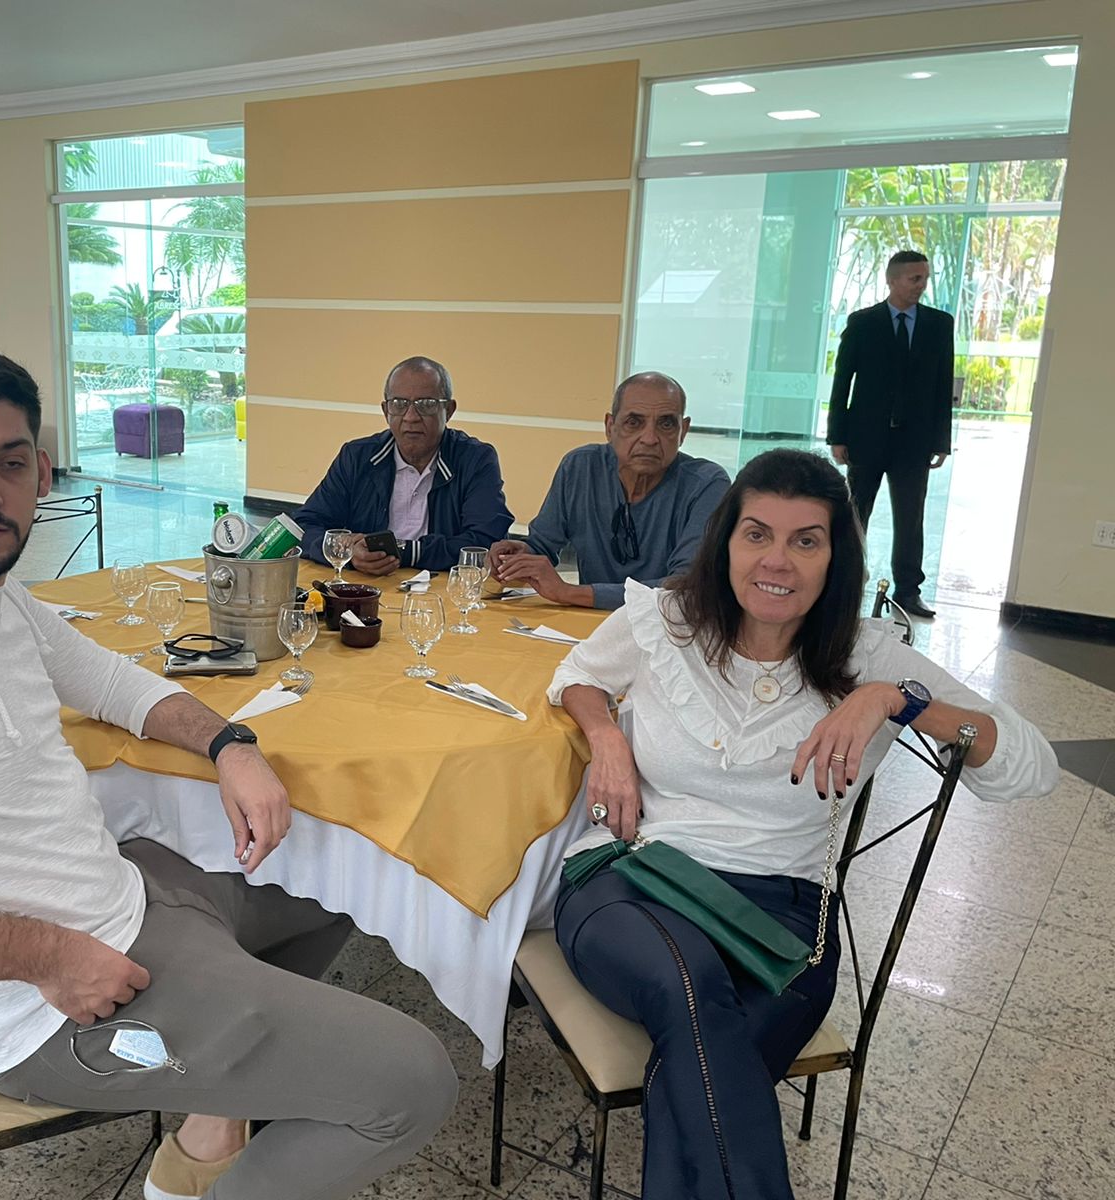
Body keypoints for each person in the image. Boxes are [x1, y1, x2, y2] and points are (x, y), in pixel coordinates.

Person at [0, 345, 458, 1200]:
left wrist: (231, 746)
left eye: (10, 464)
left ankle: (213, 1109)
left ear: (41, 474)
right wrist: (50, 956)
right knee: (413, 1083)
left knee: (343, 881)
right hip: (50, 1004)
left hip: (124, 895)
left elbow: (114, 683)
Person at [543, 448, 1056, 1199]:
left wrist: (896, 699)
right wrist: (607, 738)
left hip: (782, 919)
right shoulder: (667, 620)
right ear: (726, 542)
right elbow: (577, 676)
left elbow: (1031, 766)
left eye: (805, 541)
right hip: (634, 878)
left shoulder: (871, 658)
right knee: (693, 988)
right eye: (757, 534)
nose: (776, 561)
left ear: (835, 556)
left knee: (693, 1078)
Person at [489, 371, 728, 608]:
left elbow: (683, 588)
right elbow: (543, 545)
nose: (649, 438)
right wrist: (520, 556)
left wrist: (570, 593)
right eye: (634, 423)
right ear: (610, 427)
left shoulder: (706, 484)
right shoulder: (581, 467)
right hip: (588, 621)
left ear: (683, 431)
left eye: (666, 424)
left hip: (667, 625)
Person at [291, 355, 512, 574]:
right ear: (385, 411)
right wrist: (347, 552)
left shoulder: (475, 459)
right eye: (399, 404)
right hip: (366, 585)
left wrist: (406, 551)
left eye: (426, 404)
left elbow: (485, 542)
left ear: (449, 410)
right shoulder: (357, 457)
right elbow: (304, 526)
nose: (411, 417)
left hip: (443, 588)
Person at [827, 249, 956, 619]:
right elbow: (842, 381)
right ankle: (846, 584)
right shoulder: (863, 323)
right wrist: (837, 435)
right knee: (856, 515)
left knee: (911, 518)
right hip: (866, 438)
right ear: (892, 280)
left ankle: (909, 591)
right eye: (914, 278)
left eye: (924, 278)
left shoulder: (938, 324)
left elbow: (942, 385)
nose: (921, 286)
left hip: (914, 442)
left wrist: (941, 441)